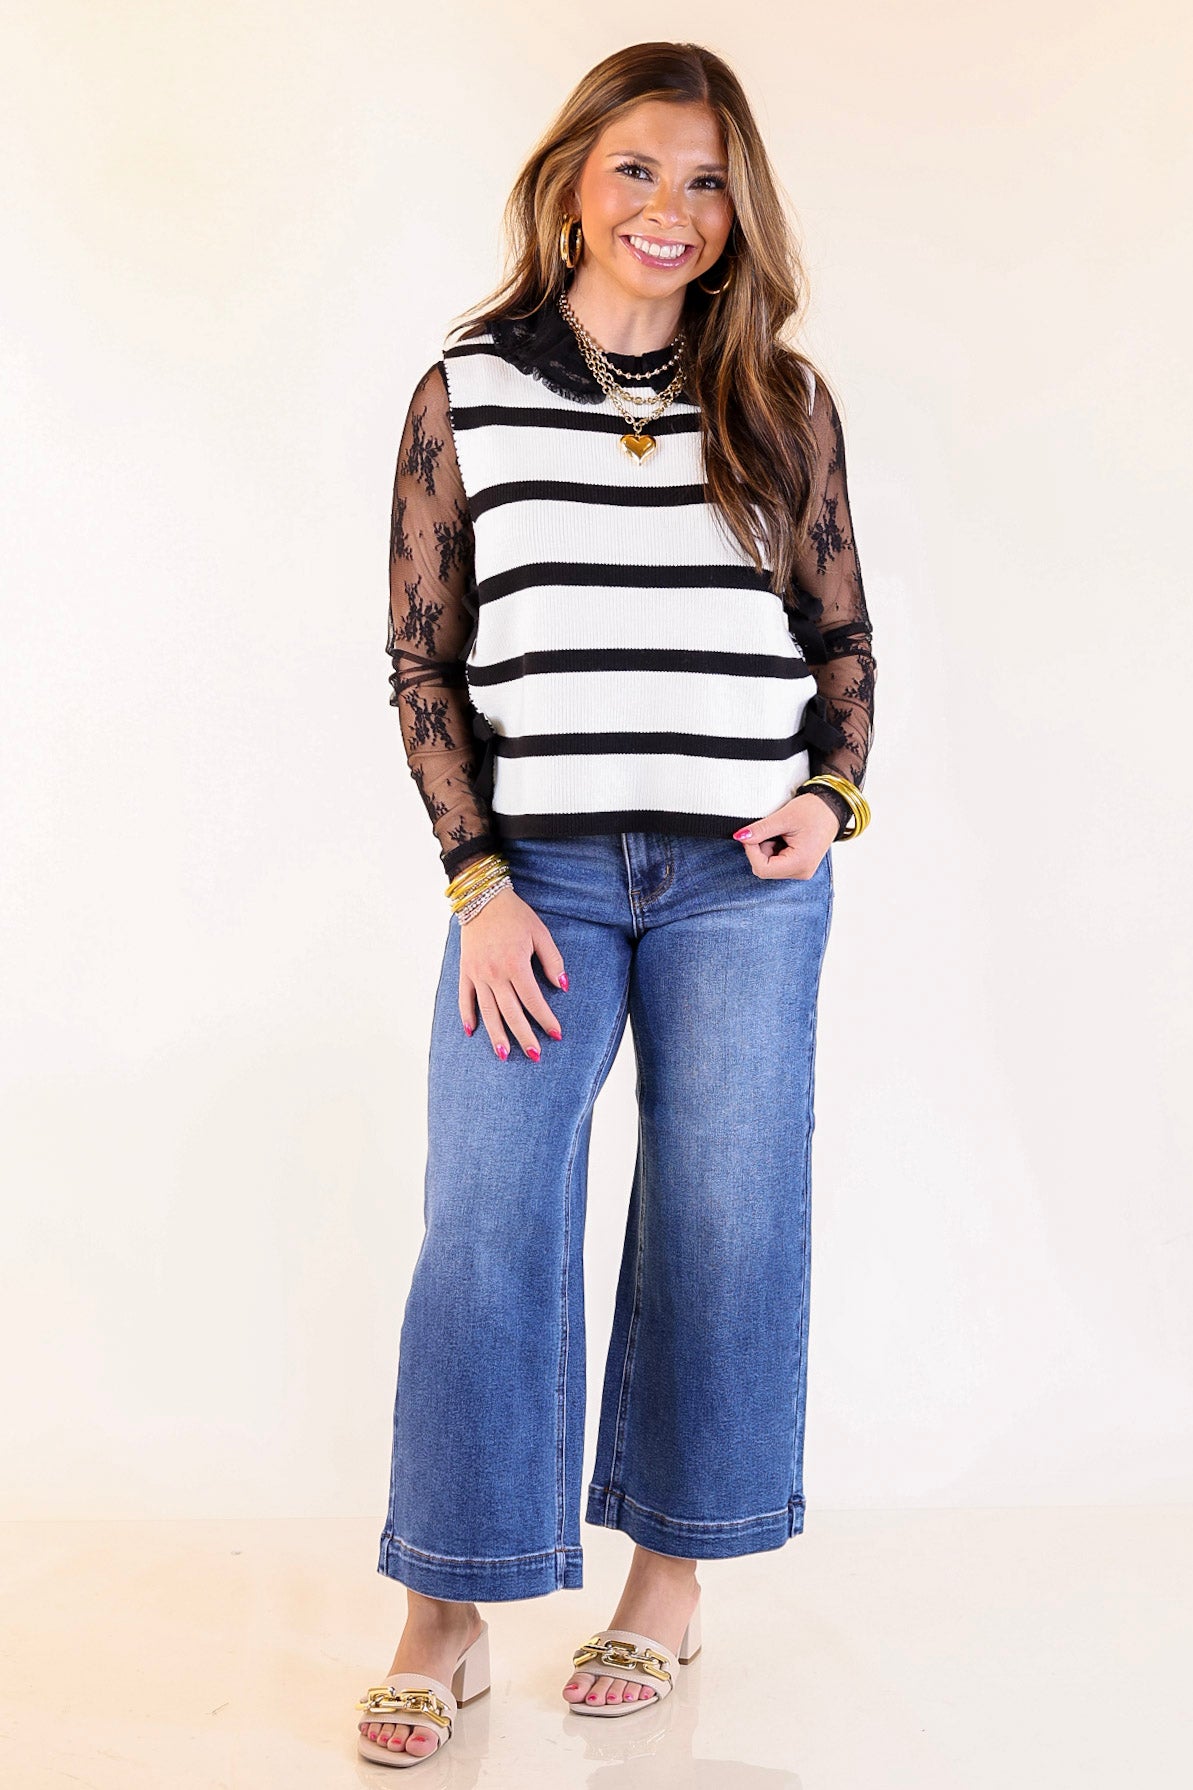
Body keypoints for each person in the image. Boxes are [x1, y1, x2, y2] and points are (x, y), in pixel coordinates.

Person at [356, 39, 876, 1767]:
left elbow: (837, 635)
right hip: (544, 879)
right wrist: (478, 881)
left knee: (727, 1218)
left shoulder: (780, 401)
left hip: (743, 880)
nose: (672, 207)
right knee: (487, 1218)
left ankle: (667, 1584)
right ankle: (445, 1610)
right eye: (639, 167)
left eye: (707, 179)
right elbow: (422, 659)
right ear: (574, 179)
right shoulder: (465, 390)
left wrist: (827, 796)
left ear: (739, 210)